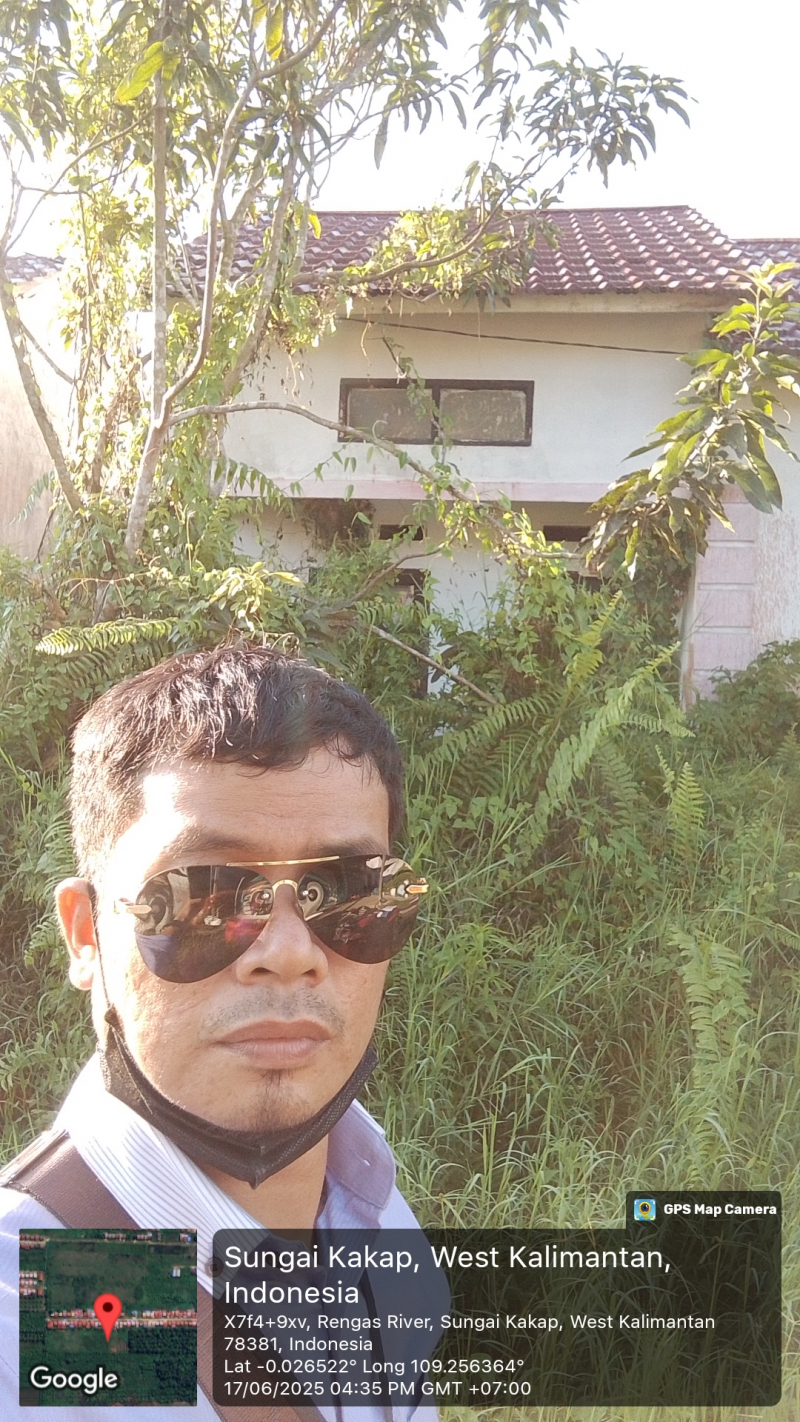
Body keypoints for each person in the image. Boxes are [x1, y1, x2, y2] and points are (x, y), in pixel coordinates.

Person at [0, 645, 439, 1420]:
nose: (290, 952)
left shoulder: (375, 1214)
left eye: (345, 892)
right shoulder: (23, 1314)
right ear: (86, 934)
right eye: (203, 896)